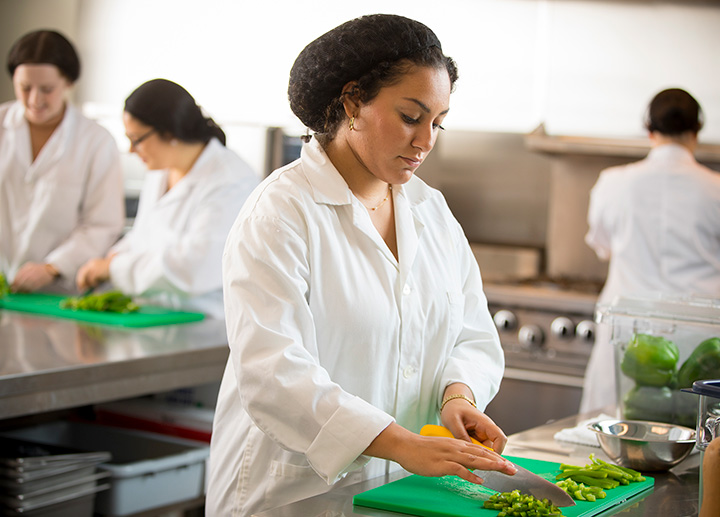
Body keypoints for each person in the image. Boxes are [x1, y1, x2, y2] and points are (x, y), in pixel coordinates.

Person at [206, 14, 514, 516]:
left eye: (438, 122)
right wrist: (400, 442)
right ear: (352, 102)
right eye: (411, 117)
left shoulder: (430, 210)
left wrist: (459, 397)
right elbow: (273, 372)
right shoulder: (282, 212)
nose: (427, 141)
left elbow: (470, 333)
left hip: (397, 492)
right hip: (292, 496)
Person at [580, 88, 720, 413]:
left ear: (649, 129)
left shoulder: (613, 182)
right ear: (697, 130)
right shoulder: (715, 190)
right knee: (696, 436)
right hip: (699, 343)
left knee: (615, 428)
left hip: (629, 338)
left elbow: (602, 247)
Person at [75, 79, 259, 319]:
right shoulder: (161, 169)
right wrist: (110, 258)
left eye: (137, 139)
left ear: (169, 131)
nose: (131, 150)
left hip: (205, 322)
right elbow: (144, 236)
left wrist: (113, 269)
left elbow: (194, 267)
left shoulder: (231, 180)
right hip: (155, 314)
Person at [0, 30, 124, 293]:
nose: (35, 99)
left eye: (47, 89)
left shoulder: (96, 142)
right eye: (25, 88)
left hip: (59, 290)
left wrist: (52, 267)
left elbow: (103, 224)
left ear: (68, 83)